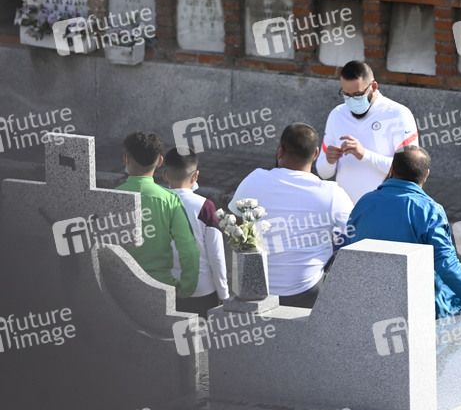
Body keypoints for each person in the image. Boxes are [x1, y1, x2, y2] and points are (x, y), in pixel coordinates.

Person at [347, 146, 461, 319]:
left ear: (392, 170)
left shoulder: (363, 202)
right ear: (426, 175)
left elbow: (347, 248)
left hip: (369, 297)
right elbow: (446, 263)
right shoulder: (430, 210)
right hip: (420, 303)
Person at [229, 124, 353, 308]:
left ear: (280, 151)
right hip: (306, 291)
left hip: (254, 290)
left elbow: (236, 227)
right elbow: (355, 233)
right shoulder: (332, 193)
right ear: (316, 153)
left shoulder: (253, 180)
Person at [315, 60, 419, 204]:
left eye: (357, 94)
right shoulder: (337, 114)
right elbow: (323, 173)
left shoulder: (398, 114)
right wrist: (329, 161)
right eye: (346, 95)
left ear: (373, 87)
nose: (351, 100)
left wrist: (365, 155)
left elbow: (408, 172)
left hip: (384, 207)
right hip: (345, 209)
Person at [115, 132, 199, 299]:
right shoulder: (170, 200)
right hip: (161, 286)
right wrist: (186, 288)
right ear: (160, 161)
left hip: (119, 285)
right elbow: (188, 249)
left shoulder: (111, 197)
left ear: (126, 159)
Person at [162, 148, 229, 316]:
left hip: (165, 288)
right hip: (202, 290)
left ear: (165, 175)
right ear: (195, 176)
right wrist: (223, 293)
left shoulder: (157, 204)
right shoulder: (205, 207)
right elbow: (216, 256)